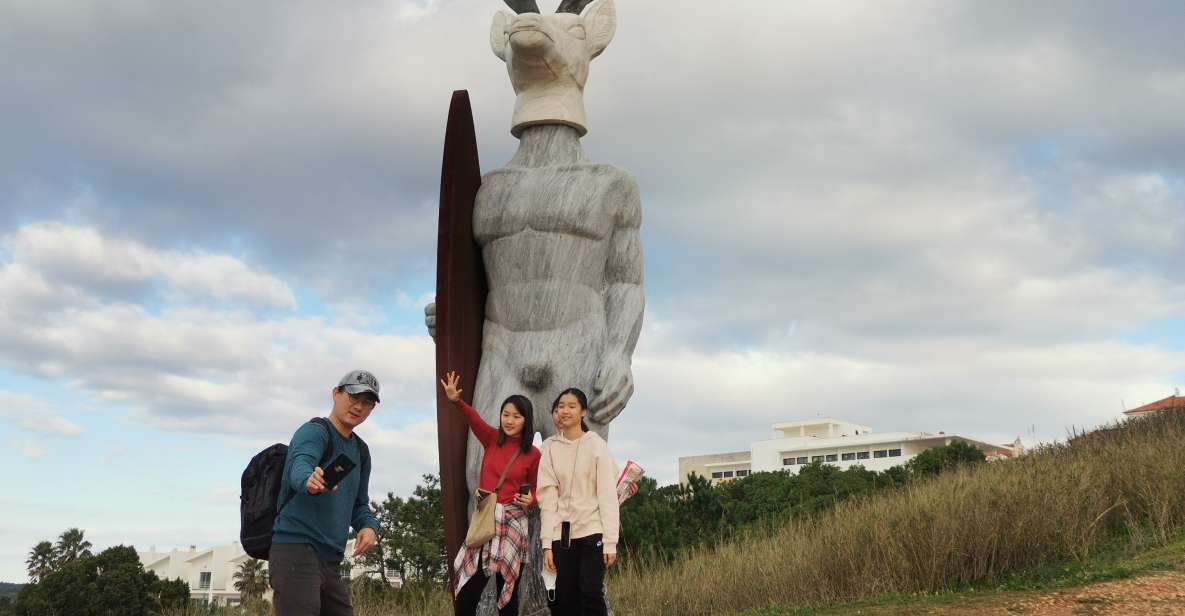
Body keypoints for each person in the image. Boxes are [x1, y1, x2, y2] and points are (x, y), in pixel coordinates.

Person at [270, 370, 382, 616]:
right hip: (295, 550)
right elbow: (300, 465)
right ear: (336, 393)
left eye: (367, 403)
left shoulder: (361, 451)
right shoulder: (315, 432)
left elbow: (360, 504)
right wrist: (309, 479)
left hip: (330, 561)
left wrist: (370, 526)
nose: (358, 407)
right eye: (353, 397)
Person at [441, 370, 541, 616]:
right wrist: (455, 400)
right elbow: (473, 419)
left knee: (507, 593)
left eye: (516, 416)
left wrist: (533, 499)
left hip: (514, 522)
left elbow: (539, 489)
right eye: (505, 414)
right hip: (485, 519)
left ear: (526, 420)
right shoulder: (491, 438)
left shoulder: (533, 454)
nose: (509, 420)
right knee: (468, 592)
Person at [537, 388, 620, 616]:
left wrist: (611, 541)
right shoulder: (549, 448)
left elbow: (607, 494)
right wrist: (546, 545)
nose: (565, 411)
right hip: (560, 535)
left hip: (592, 530)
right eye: (561, 406)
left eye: (571, 406)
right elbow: (547, 499)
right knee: (563, 597)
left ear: (583, 412)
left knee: (590, 592)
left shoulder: (596, 445)